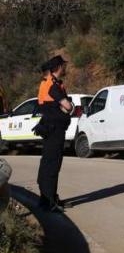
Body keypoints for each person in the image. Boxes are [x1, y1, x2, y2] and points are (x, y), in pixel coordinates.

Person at [35, 55, 73, 213]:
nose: (65, 68)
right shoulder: (53, 85)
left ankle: (47, 198)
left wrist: (65, 107)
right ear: (58, 67)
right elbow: (68, 106)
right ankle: (50, 201)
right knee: (52, 164)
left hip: (51, 128)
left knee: (48, 163)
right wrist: (68, 105)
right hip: (54, 129)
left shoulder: (49, 83)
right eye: (63, 66)